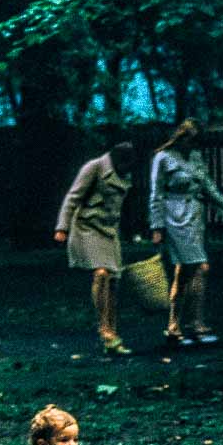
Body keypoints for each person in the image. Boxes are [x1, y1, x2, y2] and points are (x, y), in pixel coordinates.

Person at [149, 119, 223, 347]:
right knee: (199, 267)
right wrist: (157, 226)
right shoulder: (163, 158)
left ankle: (175, 326)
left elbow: (208, 187)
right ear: (181, 137)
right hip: (174, 217)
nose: (192, 145)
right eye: (190, 140)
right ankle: (195, 324)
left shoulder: (195, 157)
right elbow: (156, 193)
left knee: (185, 271)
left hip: (194, 217)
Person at [55, 141, 136, 356]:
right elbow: (73, 197)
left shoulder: (125, 174)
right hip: (88, 227)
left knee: (114, 281)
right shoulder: (94, 167)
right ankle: (104, 329)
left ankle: (112, 333)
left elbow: (124, 205)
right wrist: (62, 227)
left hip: (109, 230)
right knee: (101, 274)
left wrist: (131, 230)